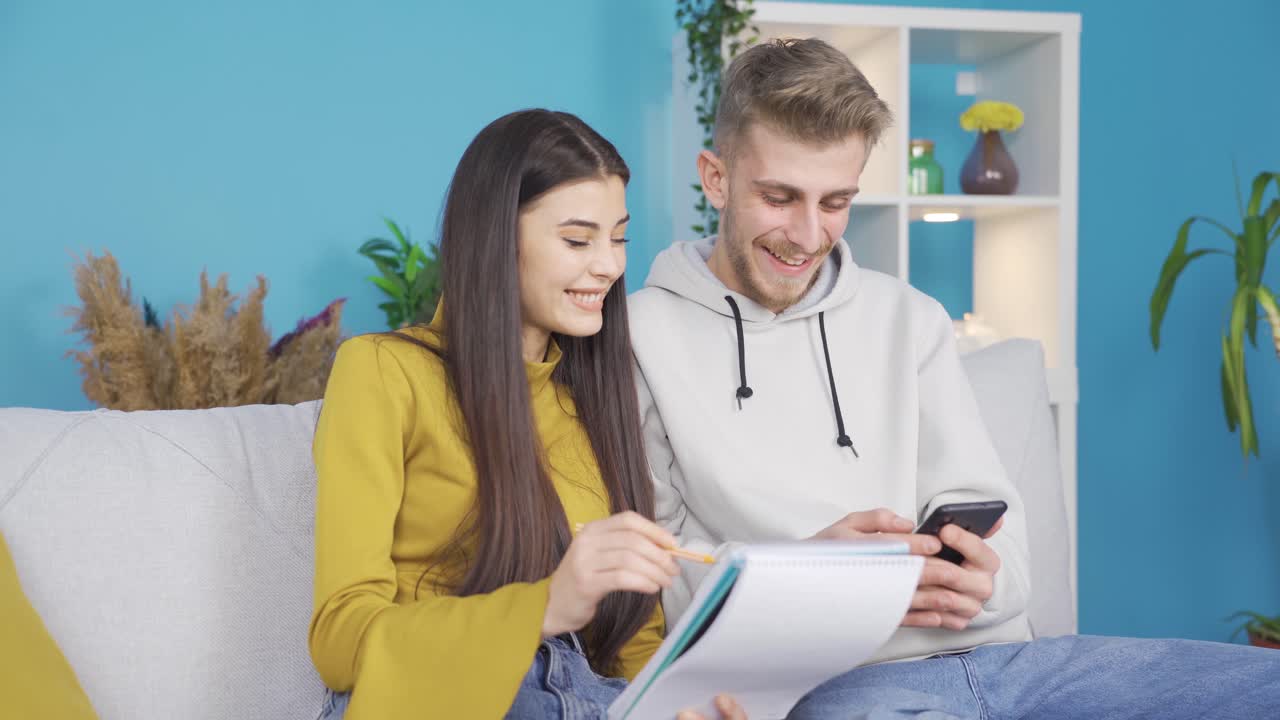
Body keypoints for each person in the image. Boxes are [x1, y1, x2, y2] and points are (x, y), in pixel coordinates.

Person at [628, 38, 1280, 718]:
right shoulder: (640, 336)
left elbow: (1011, 559)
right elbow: (656, 583)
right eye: (779, 197)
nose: (808, 234)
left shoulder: (911, 319)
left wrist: (981, 584)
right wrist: (808, 577)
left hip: (1013, 661)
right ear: (716, 177)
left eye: (836, 201)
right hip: (849, 685)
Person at [310, 109, 745, 720]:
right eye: (577, 240)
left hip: (585, 696)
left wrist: (678, 703)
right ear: (495, 238)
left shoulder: (596, 393)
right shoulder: (383, 372)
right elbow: (339, 639)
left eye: (618, 237)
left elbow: (633, 639)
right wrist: (541, 609)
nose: (609, 266)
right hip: (443, 696)